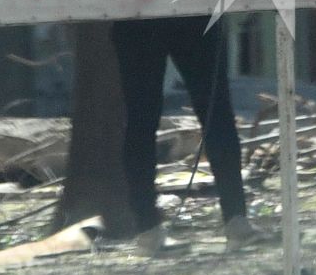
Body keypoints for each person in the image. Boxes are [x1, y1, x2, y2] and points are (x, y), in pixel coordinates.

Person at [113, 15, 267, 254]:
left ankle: (148, 231)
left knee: (141, 121)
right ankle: (236, 222)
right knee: (216, 114)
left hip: (145, 11)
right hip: (180, 8)